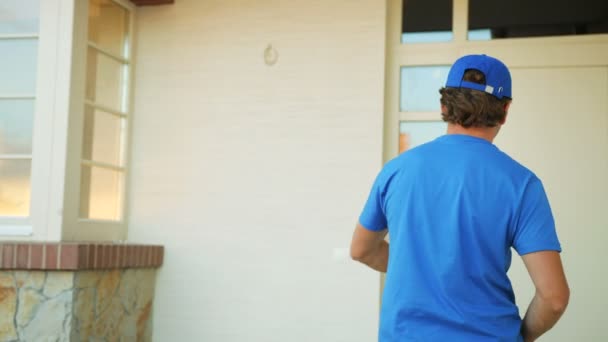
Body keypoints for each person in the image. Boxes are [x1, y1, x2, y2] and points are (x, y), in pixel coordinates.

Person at [350, 54, 569, 342]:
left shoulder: (397, 171)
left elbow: (362, 250)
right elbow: (554, 298)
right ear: (505, 111)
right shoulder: (521, 184)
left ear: (444, 106)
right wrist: (520, 336)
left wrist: (423, 269)